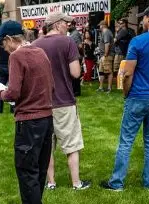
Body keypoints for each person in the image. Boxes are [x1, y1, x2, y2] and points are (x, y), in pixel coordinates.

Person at [100, 5, 149, 191]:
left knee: (126, 141)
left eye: (144, 18)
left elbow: (127, 74)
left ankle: (117, 183)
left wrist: (126, 93)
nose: (142, 20)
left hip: (137, 97)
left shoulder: (138, 41)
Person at [0, 21, 54, 204]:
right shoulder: (40, 52)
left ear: (10, 39)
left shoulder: (17, 56)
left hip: (28, 120)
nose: (3, 48)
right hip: (46, 117)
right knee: (40, 166)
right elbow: (50, 85)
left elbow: (14, 92)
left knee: (26, 168)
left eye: (3, 43)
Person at [33, 11, 91, 190]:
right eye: (66, 23)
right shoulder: (68, 42)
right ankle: (76, 183)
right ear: (57, 24)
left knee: (47, 145)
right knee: (71, 144)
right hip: (64, 100)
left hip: (42, 103)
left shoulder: (35, 45)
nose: (68, 26)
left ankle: (51, 183)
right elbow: (75, 73)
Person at [97, 21, 114, 93]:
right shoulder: (105, 32)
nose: (99, 27)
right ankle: (101, 87)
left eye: (100, 25)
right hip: (103, 55)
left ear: (103, 25)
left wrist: (105, 55)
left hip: (107, 55)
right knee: (101, 72)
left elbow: (107, 44)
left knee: (109, 71)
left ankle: (109, 88)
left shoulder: (106, 32)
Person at [68, 20, 83, 96]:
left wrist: (74, 49)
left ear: (73, 25)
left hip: (76, 56)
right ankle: (75, 91)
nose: (68, 27)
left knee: (75, 74)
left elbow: (80, 46)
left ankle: (76, 91)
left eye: (70, 25)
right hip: (75, 56)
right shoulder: (72, 33)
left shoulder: (75, 34)